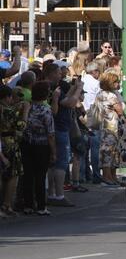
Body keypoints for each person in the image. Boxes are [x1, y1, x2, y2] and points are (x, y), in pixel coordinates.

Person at [45, 63, 82, 206]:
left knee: (53, 163)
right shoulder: (53, 89)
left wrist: (73, 87)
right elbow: (70, 102)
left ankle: (52, 194)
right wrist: (78, 89)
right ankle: (59, 195)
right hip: (59, 128)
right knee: (61, 163)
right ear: (52, 73)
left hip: (57, 128)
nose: (61, 75)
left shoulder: (51, 87)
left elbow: (66, 98)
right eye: (59, 73)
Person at [21, 81, 55, 215]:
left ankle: (28, 205)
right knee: (40, 176)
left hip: (27, 144)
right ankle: (41, 206)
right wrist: (53, 152)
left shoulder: (27, 108)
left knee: (28, 175)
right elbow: (51, 134)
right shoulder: (46, 110)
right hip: (42, 146)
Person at [95, 71, 126, 186]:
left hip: (107, 125)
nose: (118, 84)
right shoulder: (110, 95)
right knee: (109, 151)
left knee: (113, 152)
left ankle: (112, 177)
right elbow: (120, 110)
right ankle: (107, 177)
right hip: (112, 126)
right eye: (115, 82)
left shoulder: (101, 93)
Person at [0, 85, 28, 217]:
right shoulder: (7, 111)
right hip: (9, 143)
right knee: (12, 175)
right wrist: (25, 112)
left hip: (3, 143)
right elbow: (21, 126)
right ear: (7, 97)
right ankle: (7, 204)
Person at [82, 62, 102, 183]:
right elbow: (99, 101)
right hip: (93, 114)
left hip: (82, 114)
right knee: (95, 147)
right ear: (94, 71)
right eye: (98, 71)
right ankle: (96, 175)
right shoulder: (96, 83)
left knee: (84, 148)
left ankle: (84, 175)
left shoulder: (82, 81)